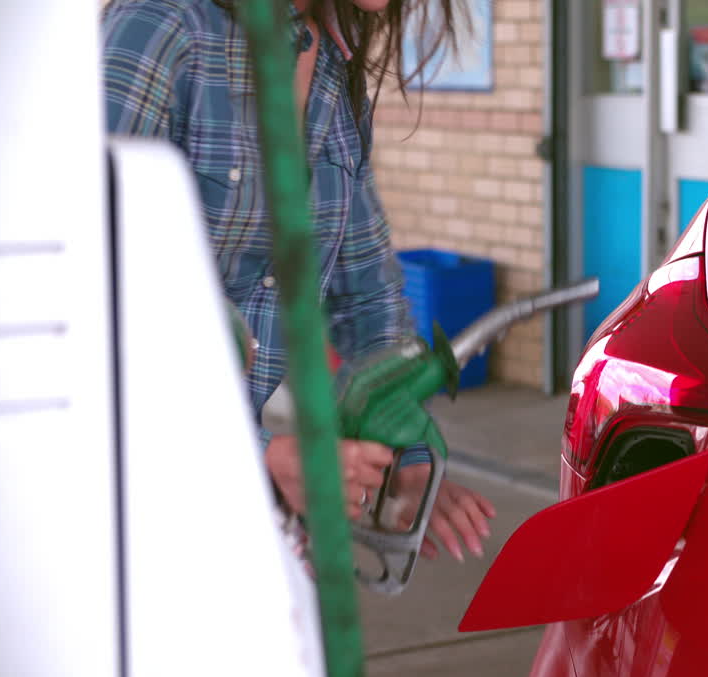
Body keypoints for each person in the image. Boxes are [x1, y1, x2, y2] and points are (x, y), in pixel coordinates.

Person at [101, 0, 495, 563]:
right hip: (116, 503)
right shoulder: (162, 29)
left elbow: (368, 298)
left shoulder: (333, 68)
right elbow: (90, 296)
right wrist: (262, 453)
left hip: (232, 512)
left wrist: (404, 459)